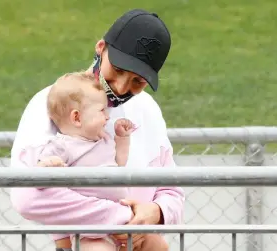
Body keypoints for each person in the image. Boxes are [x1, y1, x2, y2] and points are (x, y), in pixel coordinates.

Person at [10, 8, 185, 251]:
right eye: (119, 70)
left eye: (138, 81)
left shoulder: (148, 109)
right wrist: (122, 220)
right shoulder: (52, 103)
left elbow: (172, 192)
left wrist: (153, 213)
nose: (123, 87)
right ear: (101, 48)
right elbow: (27, 197)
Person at [18, 72, 169, 251]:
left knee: (158, 245)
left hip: (120, 219)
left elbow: (119, 163)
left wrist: (122, 138)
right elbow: (40, 170)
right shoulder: (63, 145)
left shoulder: (103, 139)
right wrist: (47, 165)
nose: (107, 116)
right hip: (90, 231)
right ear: (76, 117)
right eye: (101, 111)